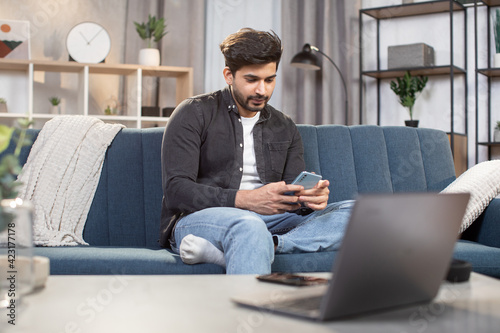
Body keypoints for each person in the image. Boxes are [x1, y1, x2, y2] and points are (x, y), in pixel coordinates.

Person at [159, 28, 354, 274]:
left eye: (270, 80)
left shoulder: (285, 126)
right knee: (248, 225)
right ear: (229, 75)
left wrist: (308, 199)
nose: (262, 90)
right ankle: (251, 252)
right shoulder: (193, 113)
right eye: (252, 80)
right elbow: (176, 191)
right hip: (201, 219)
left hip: (271, 223)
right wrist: (247, 200)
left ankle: (268, 245)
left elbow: (293, 197)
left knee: (357, 214)